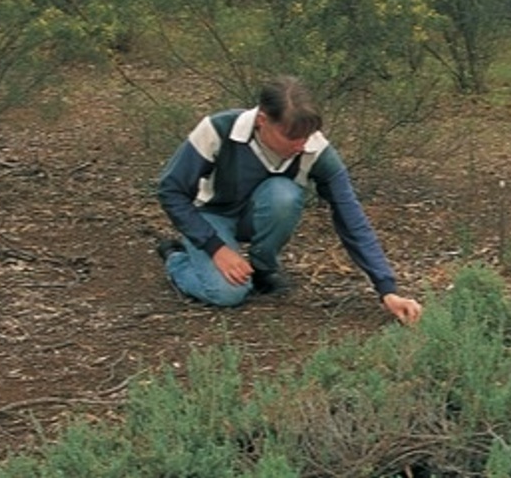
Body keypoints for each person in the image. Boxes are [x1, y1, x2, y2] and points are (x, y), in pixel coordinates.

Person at [153, 76, 422, 323]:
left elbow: (351, 217)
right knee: (227, 295)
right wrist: (215, 248)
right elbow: (171, 190)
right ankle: (176, 256)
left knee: (285, 194)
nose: (301, 145)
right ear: (262, 120)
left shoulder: (316, 150)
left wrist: (386, 289)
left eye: (306, 136)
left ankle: (262, 269)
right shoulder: (219, 128)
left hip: (258, 214)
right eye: (292, 136)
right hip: (211, 217)